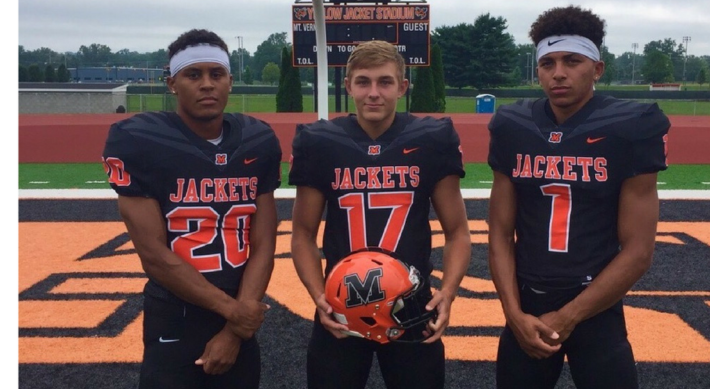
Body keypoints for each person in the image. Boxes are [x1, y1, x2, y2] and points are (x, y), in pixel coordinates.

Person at [487, 6, 670, 388]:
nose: (558, 73)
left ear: (597, 68)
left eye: (572, 61)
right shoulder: (513, 125)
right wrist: (514, 314)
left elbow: (638, 250)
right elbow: (500, 235)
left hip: (596, 307)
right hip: (527, 303)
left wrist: (568, 316)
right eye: (547, 63)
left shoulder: (629, 126)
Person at [101, 29, 282, 389]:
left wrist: (234, 329)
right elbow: (153, 255)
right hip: (176, 313)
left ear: (230, 81)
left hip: (239, 305)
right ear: (172, 83)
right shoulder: (140, 140)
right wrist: (237, 315)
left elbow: (265, 243)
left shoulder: (258, 140)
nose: (207, 85)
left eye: (216, 74)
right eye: (193, 74)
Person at [289, 39, 471, 389]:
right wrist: (318, 296)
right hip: (340, 303)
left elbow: (458, 231)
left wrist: (447, 292)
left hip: (412, 303)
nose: (374, 93)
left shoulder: (431, 138)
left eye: (385, 82)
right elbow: (302, 234)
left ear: (402, 86)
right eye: (363, 82)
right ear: (348, 86)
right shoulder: (321, 142)